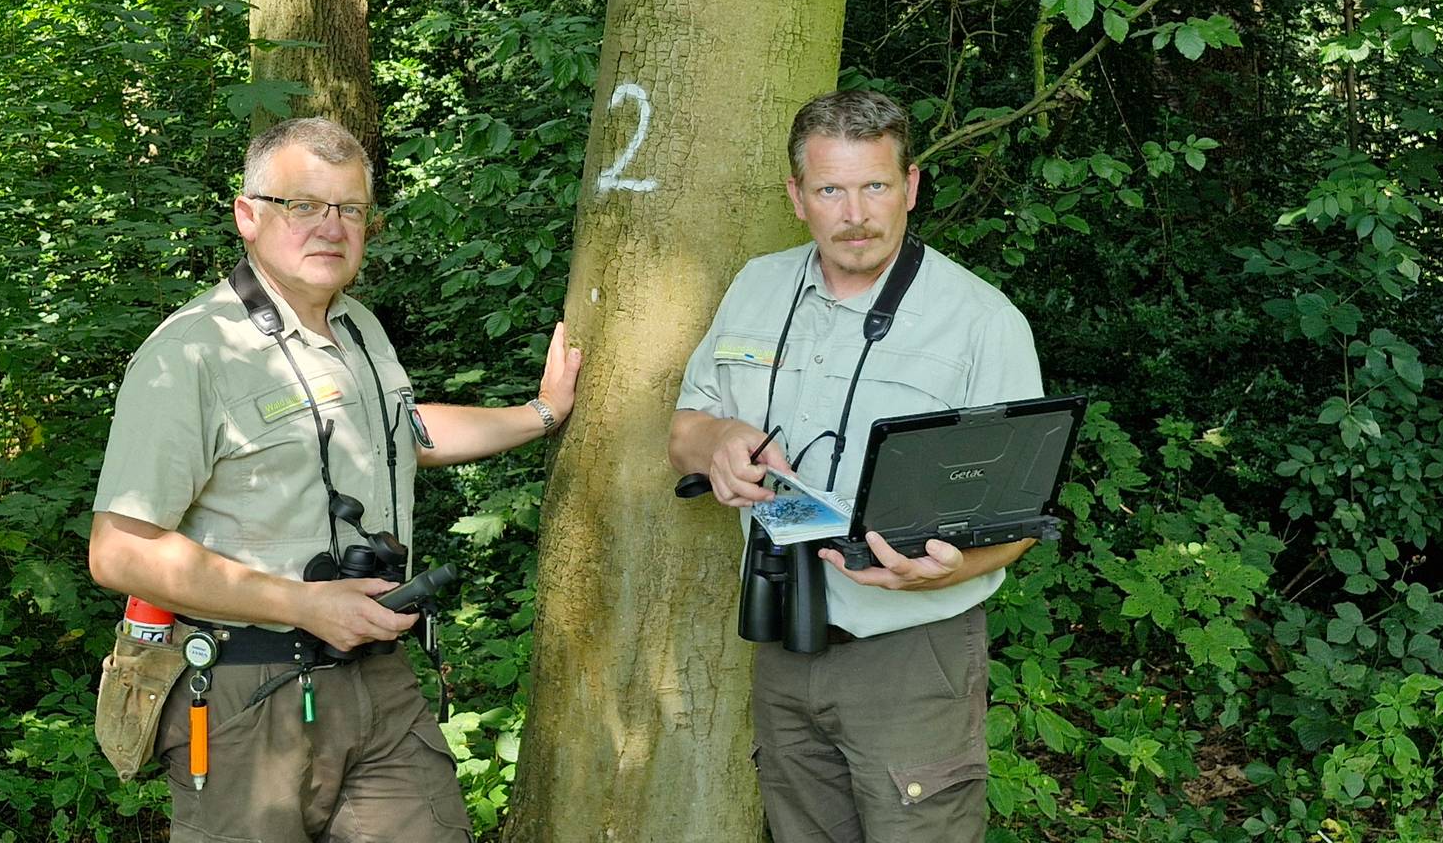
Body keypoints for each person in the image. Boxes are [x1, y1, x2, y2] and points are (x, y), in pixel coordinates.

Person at [88, 116, 582, 843]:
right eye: (303, 205)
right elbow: (120, 551)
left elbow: (400, 435)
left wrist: (540, 413)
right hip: (246, 691)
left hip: (377, 675)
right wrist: (303, 603)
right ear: (248, 215)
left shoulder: (357, 327)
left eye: (350, 209)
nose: (331, 226)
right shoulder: (193, 352)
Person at [665, 89, 1044, 843]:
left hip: (912, 652)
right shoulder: (756, 286)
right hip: (782, 635)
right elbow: (684, 432)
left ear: (910, 187)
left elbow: (1023, 519)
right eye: (831, 190)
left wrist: (952, 570)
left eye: (875, 185)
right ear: (796, 197)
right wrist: (721, 441)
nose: (856, 214)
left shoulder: (982, 321)